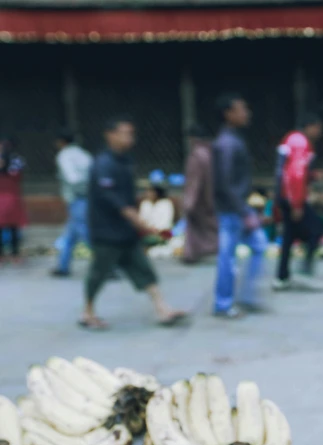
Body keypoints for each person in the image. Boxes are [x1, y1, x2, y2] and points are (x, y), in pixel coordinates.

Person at [81, 115, 186, 330]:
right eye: (124, 133)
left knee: (142, 268)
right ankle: (87, 311)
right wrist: (144, 225)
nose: (129, 138)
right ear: (110, 135)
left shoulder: (125, 161)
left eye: (131, 134)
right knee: (99, 273)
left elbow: (129, 198)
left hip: (125, 230)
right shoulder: (103, 165)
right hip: (106, 230)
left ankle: (162, 308)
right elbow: (116, 202)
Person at [212, 93, 268, 317]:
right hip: (231, 210)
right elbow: (224, 182)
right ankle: (223, 304)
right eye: (241, 109)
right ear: (228, 114)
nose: (246, 113)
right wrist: (242, 211)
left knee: (258, 246)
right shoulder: (226, 143)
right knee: (228, 255)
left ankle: (245, 296)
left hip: (236, 208)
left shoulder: (233, 139)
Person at [272, 113, 323, 290]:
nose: (319, 132)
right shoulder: (300, 142)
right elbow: (295, 174)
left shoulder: (292, 139)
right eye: (318, 128)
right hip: (292, 197)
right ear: (309, 126)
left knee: (289, 236)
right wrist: (296, 203)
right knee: (317, 228)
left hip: (284, 195)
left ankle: (282, 276)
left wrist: (312, 176)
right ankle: (303, 269)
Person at [51, 129, 94, 277]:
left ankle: (106, 266)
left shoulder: (64, 156)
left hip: (77, 198)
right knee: (71, 234)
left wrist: (77, 190)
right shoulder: (83, 154)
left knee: (85, 232)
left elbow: (72, 178)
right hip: (87, 196)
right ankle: (63, 266)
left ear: (62, 142)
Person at [182, 124, 218, 264]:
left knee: (194, 227)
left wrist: (189, 202)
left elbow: (194, 181)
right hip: (211, 197)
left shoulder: (197, 155)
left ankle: (191, 254)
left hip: (199, 199)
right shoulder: (211, 153)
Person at [0, 137, 27, 264]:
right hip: (12, 198)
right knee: (14, 228)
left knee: (10, 228)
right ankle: (14, 254)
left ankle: (8, 254)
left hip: (6, 198)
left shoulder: (13, 160)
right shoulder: (17, 160)